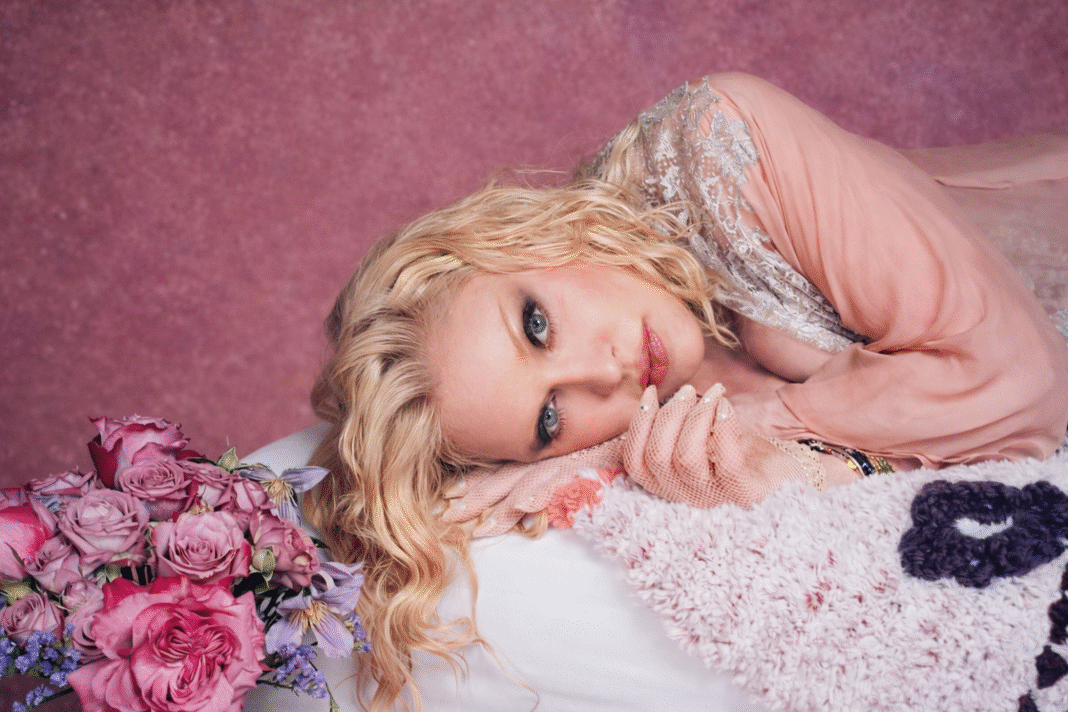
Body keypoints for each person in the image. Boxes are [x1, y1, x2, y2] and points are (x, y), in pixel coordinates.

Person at [302, 72, 1068, 711]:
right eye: (550, 417)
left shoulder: (720, 142)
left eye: (537, 324)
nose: (604, 373)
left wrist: (744, 430)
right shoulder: (668, 420)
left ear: (514, 240)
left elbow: (1024, 383)